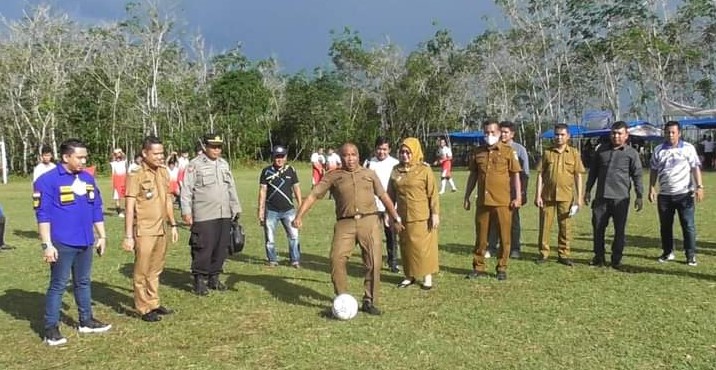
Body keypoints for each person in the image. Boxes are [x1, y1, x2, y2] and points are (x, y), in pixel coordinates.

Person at [292, 143, 403, 316]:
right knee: (336, 259)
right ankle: (342, 298)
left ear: (358, 156)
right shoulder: (333, 176)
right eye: (346, 155)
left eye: (353, 154)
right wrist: (299, 216)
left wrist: (395, 218)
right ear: (341, 157)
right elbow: (314, 195)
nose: (350, 158)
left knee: (374, 262)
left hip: (370, 220)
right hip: (345, 223)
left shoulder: (369, 174)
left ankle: (369, 300)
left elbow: (384, 196)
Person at [33, 138, 111, 346]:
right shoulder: (47, 181)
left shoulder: (87, 178)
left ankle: (86, 321)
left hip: (85, 240)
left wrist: (101, 236)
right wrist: (47, 245)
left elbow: (96, 208)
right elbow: (43, 216)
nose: (84, 161)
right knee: (58, 284)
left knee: (83, 281)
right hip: (62, 242)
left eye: (85, 156)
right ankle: (51, 328)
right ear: (66, 157)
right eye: (79, 157)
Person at [123, 136, 179, 322]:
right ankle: (143, 307)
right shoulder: (135, 174)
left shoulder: (163, 172)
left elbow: (168, 200)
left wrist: (173, 224)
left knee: (155, 270)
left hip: (160, 229)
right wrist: (128, 236)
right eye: (155, 153)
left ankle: (154, 302)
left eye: (162, 153)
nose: (160, 157)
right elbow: (129, 206)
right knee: (141, 271)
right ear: (145, 153)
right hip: (144, 230)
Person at [180, 133, 241, 295]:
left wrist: (236, 207)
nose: (216, 150)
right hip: (204, 214)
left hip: (224, 213)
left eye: (219, 147)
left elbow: (231, 187)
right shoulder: (195, 164)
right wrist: (186, 211)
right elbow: (186, 189)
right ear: (205, 147)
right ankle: (199, 279)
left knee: (221, 247)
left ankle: (214, 277)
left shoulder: (223, 164)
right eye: (213, 146)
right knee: (203, 247)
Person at [464, 120, 522, 281]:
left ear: (499, 134)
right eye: (486, 133)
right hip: (483, 201)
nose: (489, 136)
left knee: (504, 237)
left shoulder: (508, 152)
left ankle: (502, 267)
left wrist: (518, 197)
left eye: (493, 133)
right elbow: (473, 176)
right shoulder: (478, 152)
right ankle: (478, 266)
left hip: (503, 201)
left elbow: (515, 174)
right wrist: (467, 196)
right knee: (481, 237)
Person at [584, 121, 644, 268]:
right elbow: (593, 173)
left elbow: (637, 175)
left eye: (619, 133)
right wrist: (587, 190)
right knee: (598, 228)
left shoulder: (632, 153)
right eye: (613, 133)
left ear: (626, 135)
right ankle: (599, 257)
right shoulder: (601, 151)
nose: (616, 136)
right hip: (601, 198)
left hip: (620, 199)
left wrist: (639, 195)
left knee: (619, 230)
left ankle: (616, 259)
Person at [649, 121, 704, 266]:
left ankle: (690, 255)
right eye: (668, 132)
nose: (670, 135)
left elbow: (695, 168)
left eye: (673, 132)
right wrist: (652, 188)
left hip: (685, 194)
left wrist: (700, 186)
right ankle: (668, 252)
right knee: (665, 226)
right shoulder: (658, 150)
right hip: (665, 195)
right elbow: (653, 170)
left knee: (688, 225)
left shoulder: (688, 148)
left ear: (679, 133)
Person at [388, 138, 439, 290]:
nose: (405, 155)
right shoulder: (396, 170)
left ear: (415, 152)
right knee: (406, 246)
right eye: (402, 152)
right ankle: (409, 275)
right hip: (402, 216)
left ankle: (427, 277)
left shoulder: (424, 170)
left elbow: (433, 193)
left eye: (408, 152)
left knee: (423, 248)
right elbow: (390, 194)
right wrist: (389, 214)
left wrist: (435, 213)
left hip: (421, 215)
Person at [534, 123, 585, 266]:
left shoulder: (574, 153)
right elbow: (540, 175)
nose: (559, 137)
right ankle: (543, 253)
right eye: (556, 134)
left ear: (568, 136)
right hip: (547, 196)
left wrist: (579, 198)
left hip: (566, 196)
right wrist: (537, 195)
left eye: (562, 135)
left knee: (565, 226)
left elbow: (578, 176)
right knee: (545, 226)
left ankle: (564, 254)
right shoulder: (547, 153)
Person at [487, 121, 529, 259]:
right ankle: (492, 246)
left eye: (506, 132)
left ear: (512, 134)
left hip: (513, 192)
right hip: (497, 192)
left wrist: (521, 194)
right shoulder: (493, 147)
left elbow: (525, 174)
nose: (503, 135)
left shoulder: (519, 149)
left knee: (513, 221)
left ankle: (515, 248)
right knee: (494, 220)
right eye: (502, 132)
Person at [258, 145, 302, 267]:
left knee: (294, 236)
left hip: (289, 210)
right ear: (273, 157)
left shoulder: (291, 170)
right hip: (271, 210)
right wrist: (261, 211)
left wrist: (301, 206)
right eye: (277, 157)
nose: (279, 159)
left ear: (286, 157)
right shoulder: (266, 171)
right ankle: (272, 260)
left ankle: (295, 260)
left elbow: (296, 188)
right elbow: (262, 191)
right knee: (270, 238)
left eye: (282, 157)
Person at [364, 137, 401, 273]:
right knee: (371, 236)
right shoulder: (369, 163)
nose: (381, 152)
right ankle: (371, 262)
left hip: (390, 205)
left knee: (391, 235)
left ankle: (393, 262)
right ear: (375, 149)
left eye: (384, 149)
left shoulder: (395, 163)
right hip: (372, 206)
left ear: (389, 150)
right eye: (379, 149)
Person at [110, 149, 128, 217]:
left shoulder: (123, 162)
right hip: (117, 182)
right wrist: (114, 152)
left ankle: (127, 210)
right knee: (117, 198)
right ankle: (119, 211)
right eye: (116, 157)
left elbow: (125, 156)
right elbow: (111, 158)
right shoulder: (113, 163)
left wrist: (120, 152)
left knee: (126, 197)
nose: (118, 158)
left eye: (119, 157)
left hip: (124, 181)